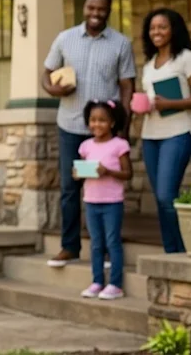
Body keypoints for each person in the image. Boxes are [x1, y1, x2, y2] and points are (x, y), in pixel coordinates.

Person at [41, 0, 136, 268]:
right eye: (91, 7)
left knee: (105, 187)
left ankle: (105, 249)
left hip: (105, 132)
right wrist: (53, 89)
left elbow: (127, 86)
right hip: (71, 126)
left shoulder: (121, 43)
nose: (95, 13)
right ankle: (70, 246)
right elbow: (46, 73)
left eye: (101, 9)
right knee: (70, 188)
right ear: (84, 8)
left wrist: (124, 126)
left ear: (109, 11)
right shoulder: (65, 39)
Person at [135, 7, 191, 254]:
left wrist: (170, 104)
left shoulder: (187, 58)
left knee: (167, 196)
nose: (156, 32)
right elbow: (152, 99)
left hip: (178, 134)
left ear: (173, 30)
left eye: (162, 27)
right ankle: (171, 251)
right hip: (150, 136)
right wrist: (144, 106)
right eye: (152, 28)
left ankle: (181, 252)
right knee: (161, 199)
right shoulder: (149, 65)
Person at [76, 99, 132, 300]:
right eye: (93, 120)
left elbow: (128, 174)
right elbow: (82, 170)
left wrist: (107, 171)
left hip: (112, 201)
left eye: (102, 120)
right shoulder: (85, 146)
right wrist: (78, 173)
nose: (96, 124)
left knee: (112, 241)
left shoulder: (119, 145)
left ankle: (115, 284)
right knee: (96, 243)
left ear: (112, 123)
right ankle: (97, 281)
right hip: (91, 201)